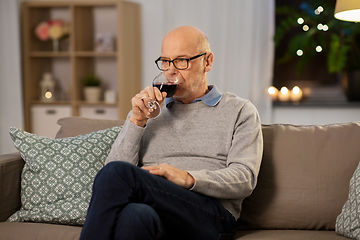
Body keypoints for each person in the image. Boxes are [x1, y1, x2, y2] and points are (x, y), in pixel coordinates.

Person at [79, 26, 263, 240]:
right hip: (156, 210)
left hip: (211, 216)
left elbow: (244, 178)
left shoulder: (240, 111)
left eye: (181, 61)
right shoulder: (148, 111)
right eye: (166, 61)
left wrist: (187, 178)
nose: (170, 71)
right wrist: (137, 121)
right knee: (135, 216)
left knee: (117, 174)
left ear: (207, 61)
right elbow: (113, 173)